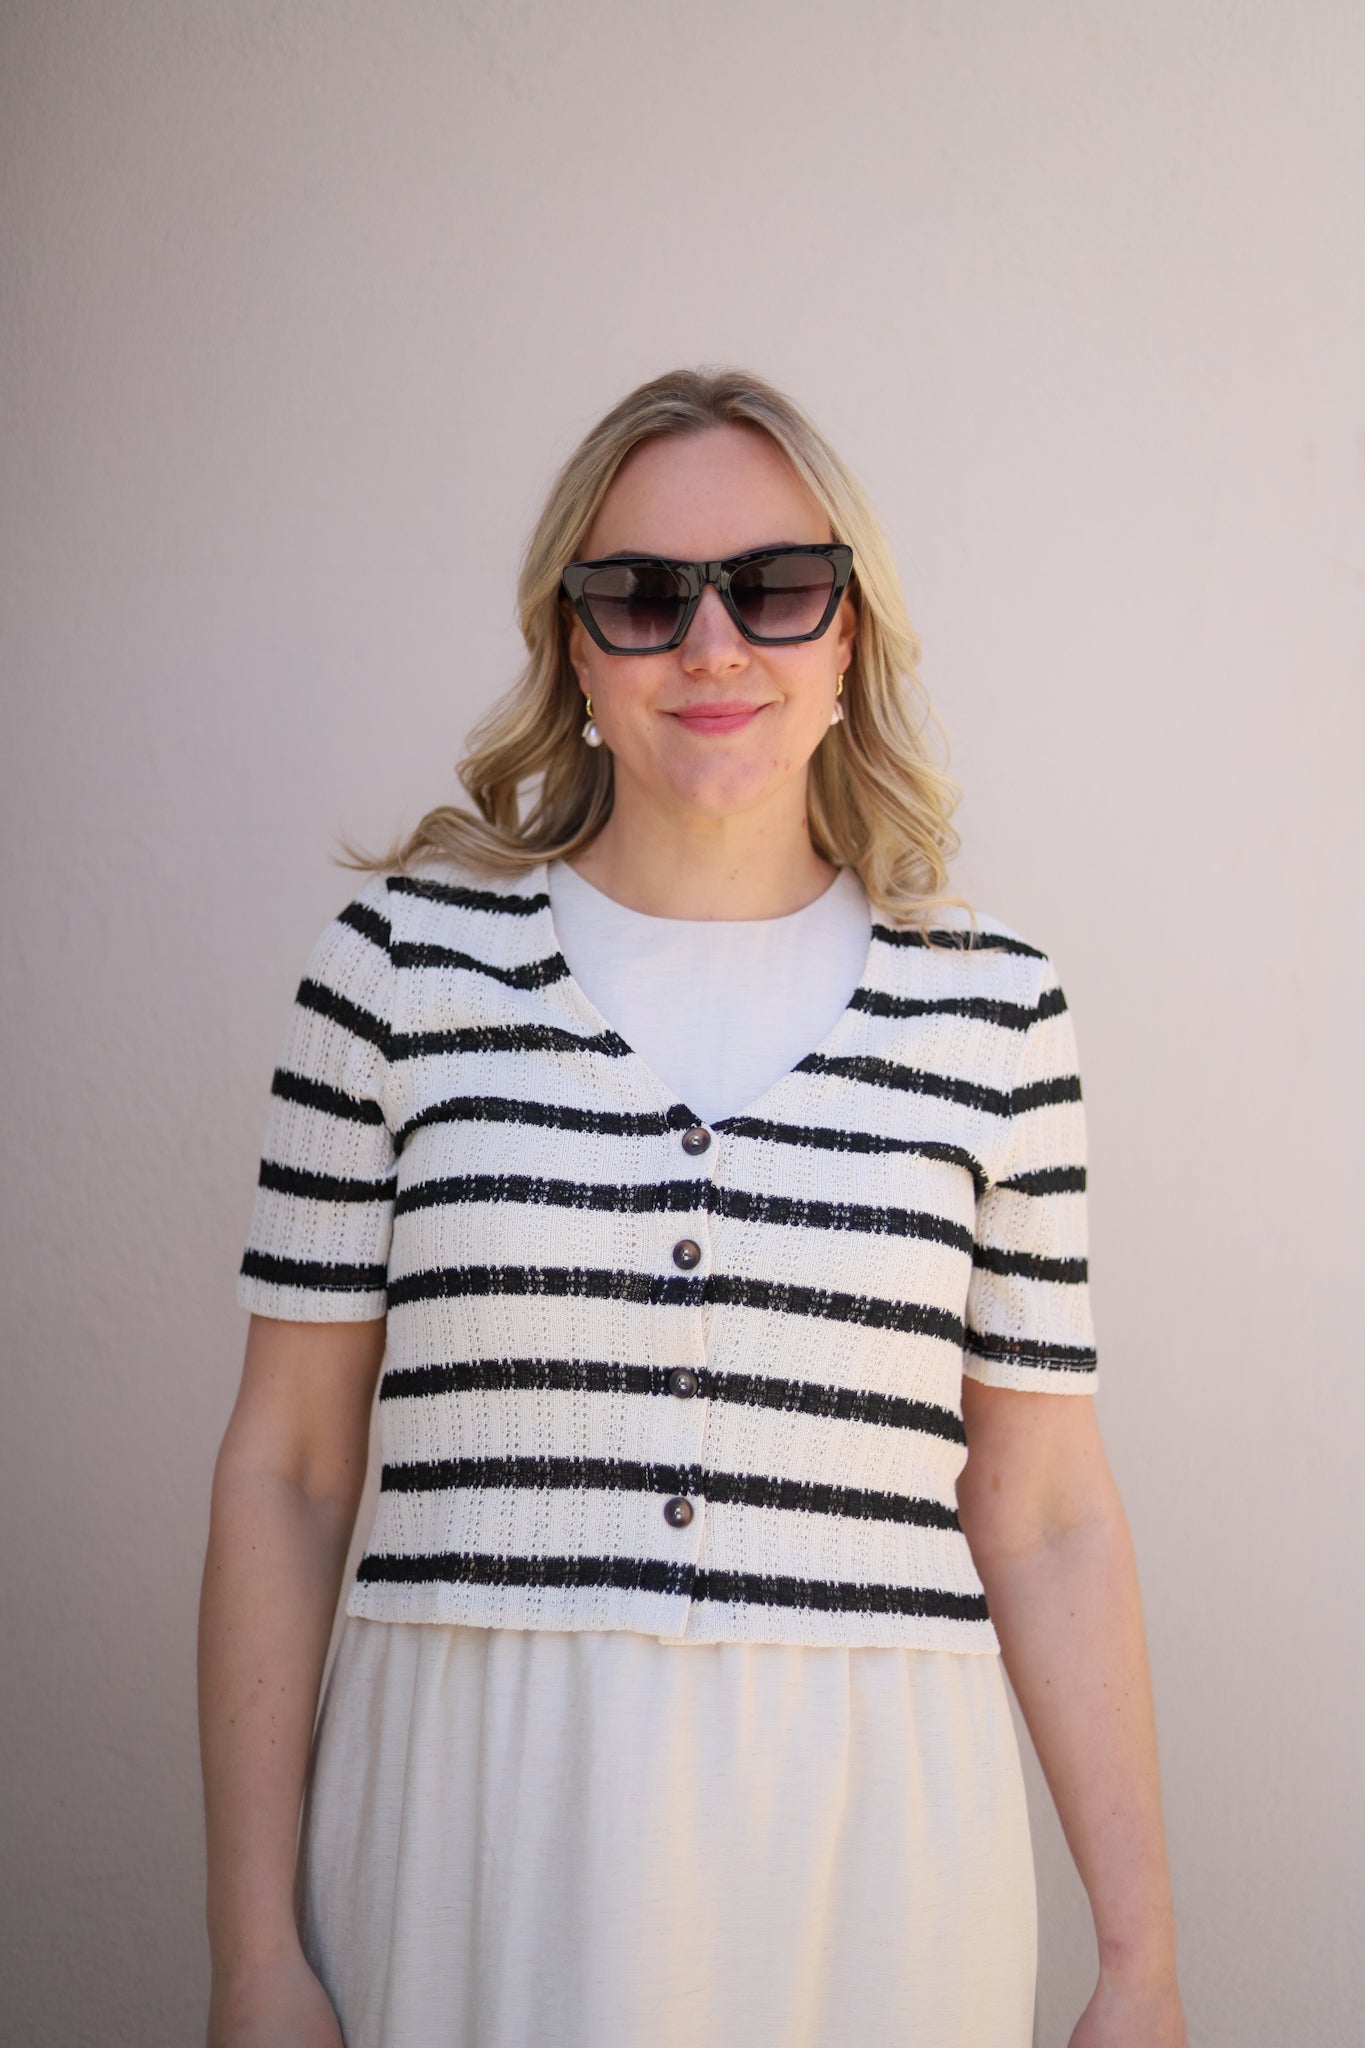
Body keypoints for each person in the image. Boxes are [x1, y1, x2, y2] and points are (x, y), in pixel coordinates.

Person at [199, 367, 1188, 2048]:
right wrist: (248, 1953)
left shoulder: (993, 1013)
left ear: (847, 636)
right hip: (474, 1817)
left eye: (775, 587)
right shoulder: (395, 975)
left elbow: (1045, 1514)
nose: (712, 646)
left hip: (874, 1836)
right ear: (574, 649)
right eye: (643, 595)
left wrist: (1139, 1960)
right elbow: (286, 1473)